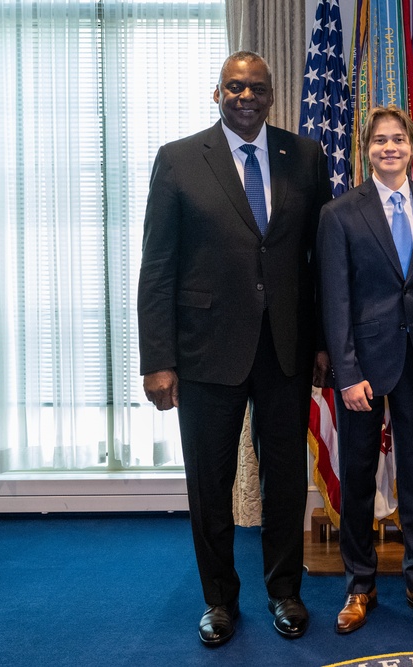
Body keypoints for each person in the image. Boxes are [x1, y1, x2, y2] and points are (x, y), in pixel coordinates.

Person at [137, 51, 332, 646]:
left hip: (286, 350)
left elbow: (319, 260)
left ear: (273, 96)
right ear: (216, 93)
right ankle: (219, 600)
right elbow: (158, 267)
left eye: (257, 88)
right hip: (204, 353)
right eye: (235, 87)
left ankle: (285, 592)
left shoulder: (304, 156)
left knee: (284, 481)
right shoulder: (177, 160)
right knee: (210, 482)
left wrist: (323, 345)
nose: (246, 97)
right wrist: (158, 360)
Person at [317, 105, 413, 634]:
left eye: (398, 139)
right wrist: (346, 373)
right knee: (357, 477)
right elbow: (335, 297)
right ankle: (359, 586)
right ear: (365, 149)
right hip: (363, 369)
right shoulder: (340, 213)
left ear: (412, 148)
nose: (389, 148)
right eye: (379, 141)